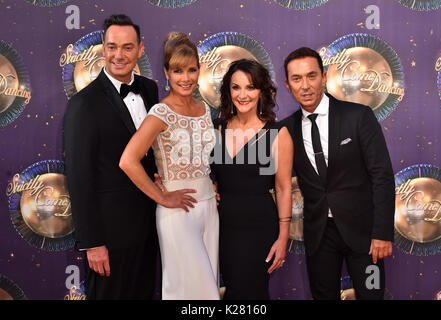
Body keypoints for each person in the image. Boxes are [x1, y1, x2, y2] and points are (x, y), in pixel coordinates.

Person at [64, 14, 189, 299]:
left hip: (150, 226)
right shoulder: (83, 104)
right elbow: (79, 178)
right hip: (109, 234)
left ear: (140, 49)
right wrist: (93, 242)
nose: (119, 55)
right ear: (103, 49)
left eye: (127, 47)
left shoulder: (149, 89)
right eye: (112, 47)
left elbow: (155, 150)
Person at [281, 47, 395, 300]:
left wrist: (382, 233)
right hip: (320, 237)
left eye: (311, 76)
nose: (305, 86)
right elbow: (267, 176)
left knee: (372, 295)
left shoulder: (358, 117)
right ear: (288, 85)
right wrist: (218, 185)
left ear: (323, 77)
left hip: (366, 238)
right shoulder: (285, 130)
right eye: (297, 79)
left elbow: (382, 176)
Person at [119, 32, 220, 300]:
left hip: (209, 209)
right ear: (166, 72)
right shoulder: (160, 113)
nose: (185, 78)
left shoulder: (205, 109)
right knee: (189, 292)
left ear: (199, 70)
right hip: (177, 213)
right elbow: (128, 161)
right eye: (177, 71)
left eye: (191, 70)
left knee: (208, 287)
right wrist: (161, 195)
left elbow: (207, 157)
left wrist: (213, 185)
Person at [210, 59, 293, 299]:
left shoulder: (277, 134)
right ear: (228, 90)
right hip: (219, 227)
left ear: (261, 91)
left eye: (250, 87)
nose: (243, 94)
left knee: (251, 293)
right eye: (236, 87)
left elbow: (283, 188)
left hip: (258, 228)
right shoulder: (216, 128)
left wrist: (283, 237)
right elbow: (203, 172)